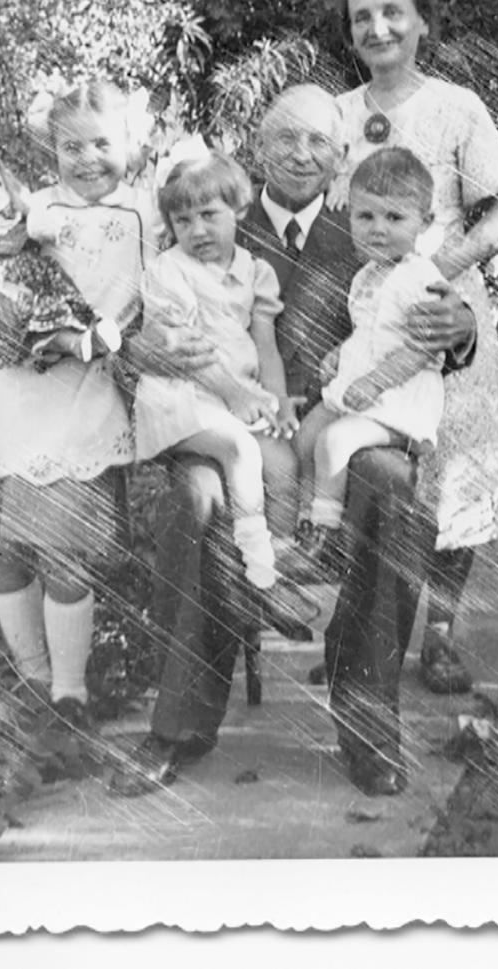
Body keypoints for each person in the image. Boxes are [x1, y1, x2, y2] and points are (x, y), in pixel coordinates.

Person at [116, 84, 477, 799]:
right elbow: (136, 330)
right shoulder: (211, 221)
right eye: (284, 138)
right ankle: (179, 723)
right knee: (192, 495)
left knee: (396, 490)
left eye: (318, 139)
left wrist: (460, 327)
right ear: (257, 152)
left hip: (343, 426)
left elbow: (440, 314)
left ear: (343, 154)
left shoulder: (371, 228)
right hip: (228, 422)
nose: (302, 153)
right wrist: (146, 352)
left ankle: (370, 727)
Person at [0, 78, 155, 731]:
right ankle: (29, 673)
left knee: (66, 554)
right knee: (7, 545)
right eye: (70, 146)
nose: (86, 159)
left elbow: (161, 291)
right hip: (11, 395)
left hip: (83, 395)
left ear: (130, 144)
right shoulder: (33, 210)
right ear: (51, 149)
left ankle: (70, 690)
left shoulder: (146, 210)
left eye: (101, 144)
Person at [334, 0, 498, 695]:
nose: (378, 28)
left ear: (422, 22)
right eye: (362, 18)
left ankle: (440, 636)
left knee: (456, 467)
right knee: (381, 470)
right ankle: (364, 630)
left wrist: (435, 268)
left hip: (446, 309)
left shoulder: (456, 106)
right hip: (367, 314)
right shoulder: (337, 113)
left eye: (392, 12)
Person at [130, 148, 314, 640]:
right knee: (240, 450)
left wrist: (274, 403)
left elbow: (266, 345)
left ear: (238, 210)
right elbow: (189, 356)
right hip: (183, 397)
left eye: (209, 215)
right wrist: (235, 394)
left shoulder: (254, 271)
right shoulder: (168, 272)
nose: (197, 231)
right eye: (182, 220)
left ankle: (273, 569)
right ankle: (258, 574)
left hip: (236, 396)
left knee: (281, 461)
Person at [293, 146, 446, 567]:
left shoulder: (421, 278)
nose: (378, 229)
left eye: (394, 218)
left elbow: (422, 347)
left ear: (424, 222)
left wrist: (375, 382)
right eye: (366, 217)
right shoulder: (367, 275)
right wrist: (337, 354)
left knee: (334, 439)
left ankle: (326, 536)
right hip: (362, 390)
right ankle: (306, 520)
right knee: (307, 436)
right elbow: (370, 331)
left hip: (400, 400)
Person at [0, 152, 121, 369]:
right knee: (37, 323)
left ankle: (92, 327)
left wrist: (57, 230)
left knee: (64, 301)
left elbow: (37, 225)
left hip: (44, 279)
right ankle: (75, 344)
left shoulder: (16, 219)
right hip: (12, 290)